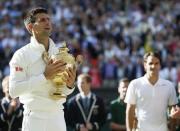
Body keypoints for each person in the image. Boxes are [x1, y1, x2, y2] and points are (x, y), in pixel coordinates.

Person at [9, 7, 76, 131]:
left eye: (49, 19)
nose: (48, 22)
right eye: (42, 20)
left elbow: (64, 92)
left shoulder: (60, 53)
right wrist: (44, 77)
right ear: (30, 27)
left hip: (58, 117)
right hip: (34, 118)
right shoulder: (21, 55)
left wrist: (70, 85)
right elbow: (13, 90)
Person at [124, 52, 178, 131]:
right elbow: (130, 111)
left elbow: (173, 112)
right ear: (145, 65)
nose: (153, 66)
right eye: (150, 63)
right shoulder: (134, 84)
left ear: (160, 65)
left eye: (156, 63)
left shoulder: (169, 86)